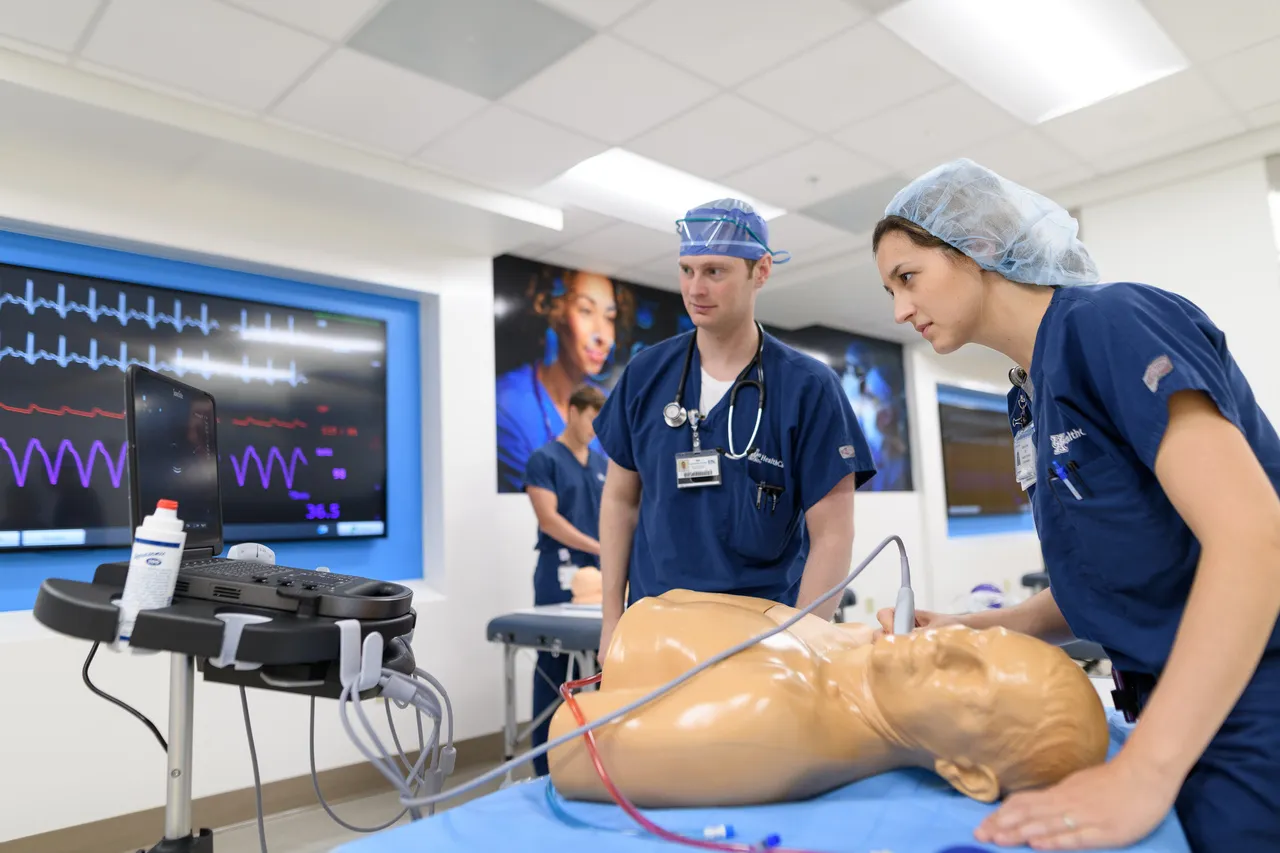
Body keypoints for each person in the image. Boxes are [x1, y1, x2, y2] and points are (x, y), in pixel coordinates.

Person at [871, 158, 1280, 853]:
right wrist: (972, 628)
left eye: (907, 277)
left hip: (1252, 695)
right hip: (1167, 702)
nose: (900, 310)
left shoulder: (1112, 322)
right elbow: (1110, 577)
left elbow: (1253, 538)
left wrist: (1148, 769)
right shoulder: (1032, 391)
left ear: (981, 246)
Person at [592, 198, 877, 654]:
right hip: (654, 630)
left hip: (762, 635)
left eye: (714, 271)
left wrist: (804, 644)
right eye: (687, 270)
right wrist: (611, 621)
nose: (695, 288)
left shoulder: (808, 387)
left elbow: (833, 533)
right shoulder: (646, 375)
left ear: (760, 270)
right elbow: (620, 501)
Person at [547, 589, 1110, 807]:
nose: (949, 643)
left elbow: (570, 746)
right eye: (980, 643)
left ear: (966, 773)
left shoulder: (774, 724)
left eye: (970, 679)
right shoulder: (844, 654)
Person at [522, 384, 608, 775]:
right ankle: (544, 765)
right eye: (591, 417)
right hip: (559, 573)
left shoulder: (603, 465)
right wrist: (598, 546)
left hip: (600, 575)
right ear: (572, 412)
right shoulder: (545, 459)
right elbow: (549, 519)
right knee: (553, 668)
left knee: (603, 666)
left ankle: (598, 760)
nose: (595, 428)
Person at [496, 268, 629, 492]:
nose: (603, 337)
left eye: (610, 317)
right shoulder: (508, 406)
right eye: (586, 311)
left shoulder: (611, 408)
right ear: (555, 314)